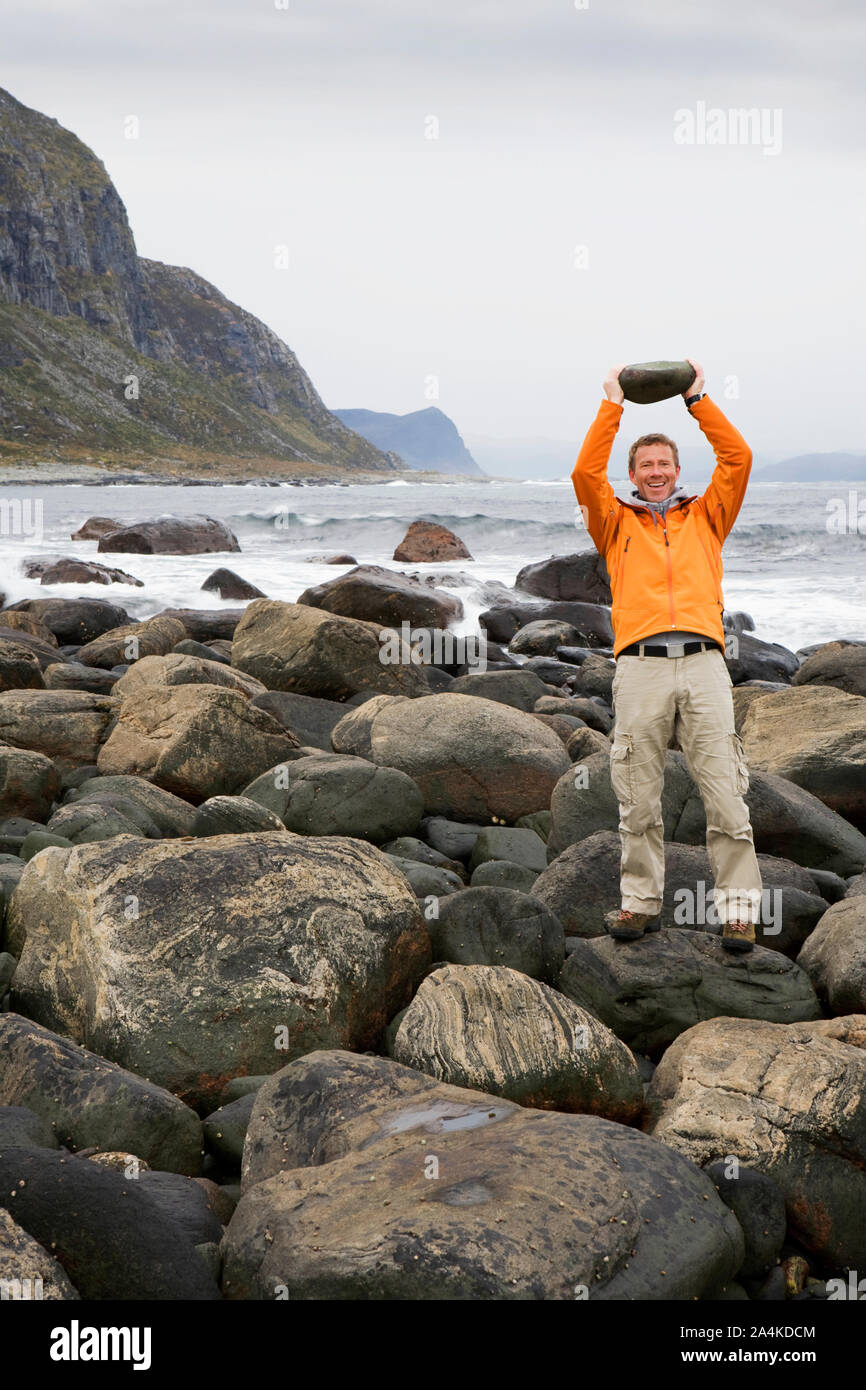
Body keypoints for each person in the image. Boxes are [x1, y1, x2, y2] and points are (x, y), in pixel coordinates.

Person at [571, 359, 762, 951]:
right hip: (640, 667)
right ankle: (639, 903)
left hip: (705, 664)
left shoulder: (708, 515)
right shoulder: (614, 523)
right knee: (637, 793)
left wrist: (698, 399)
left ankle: (737, 912)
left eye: (663, 464)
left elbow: (739, 459)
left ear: (677, 471)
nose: (655, 472)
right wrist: (613, 405)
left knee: (726, 793)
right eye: (645, 465)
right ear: (634, 474)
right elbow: (584, 472)